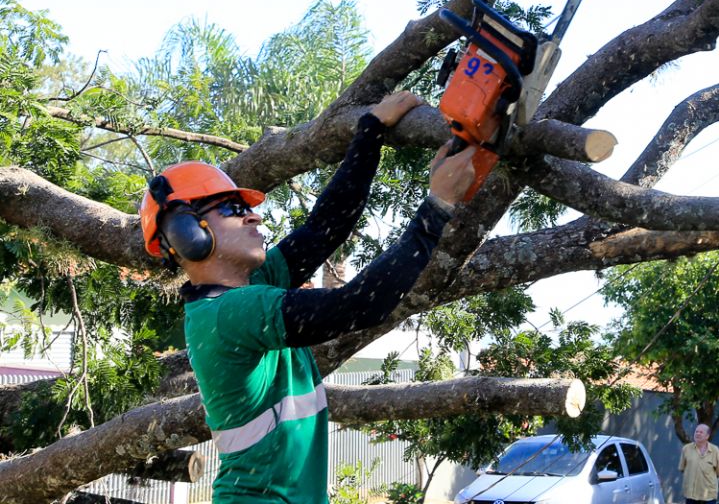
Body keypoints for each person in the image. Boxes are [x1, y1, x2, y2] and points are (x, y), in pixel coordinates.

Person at [138, 91, 476, 503]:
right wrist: (436, 208)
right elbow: (356, 305)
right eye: (230, 209)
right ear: (186, 234)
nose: (253, 215)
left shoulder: (249, 286)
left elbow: (324, 228)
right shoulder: (229, 313)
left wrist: (370, 132)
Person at [678, 422, 719, 504]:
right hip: (691, 494)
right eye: (696, 431)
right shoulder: (686, 449)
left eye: (701, 432)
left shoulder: (715, 450)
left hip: (709, 495)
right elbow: (682, 468)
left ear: (707, 436)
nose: (698, 434)